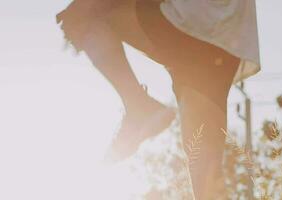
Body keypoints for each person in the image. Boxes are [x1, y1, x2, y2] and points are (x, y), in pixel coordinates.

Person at [57, 0, 260, 199]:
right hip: (227, 35)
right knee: (205, 172)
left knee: (85, 17)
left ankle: (137, 105)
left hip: (191, 20)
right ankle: (138, 106)